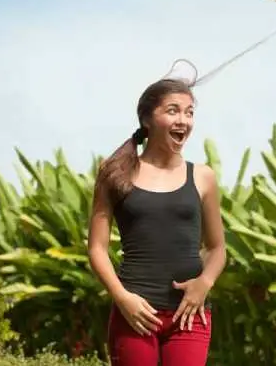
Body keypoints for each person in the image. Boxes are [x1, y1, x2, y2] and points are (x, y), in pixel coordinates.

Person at [87, 77, 227, 366]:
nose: (184, 120)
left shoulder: (203, 177)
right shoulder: (115, 173)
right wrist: (122, 299)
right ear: (147, 119)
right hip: (135, 314)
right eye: (173, 110)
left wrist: (205, 282)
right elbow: (97, 249)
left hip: (189, 315)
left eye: (189, 113)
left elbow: (216, 248)